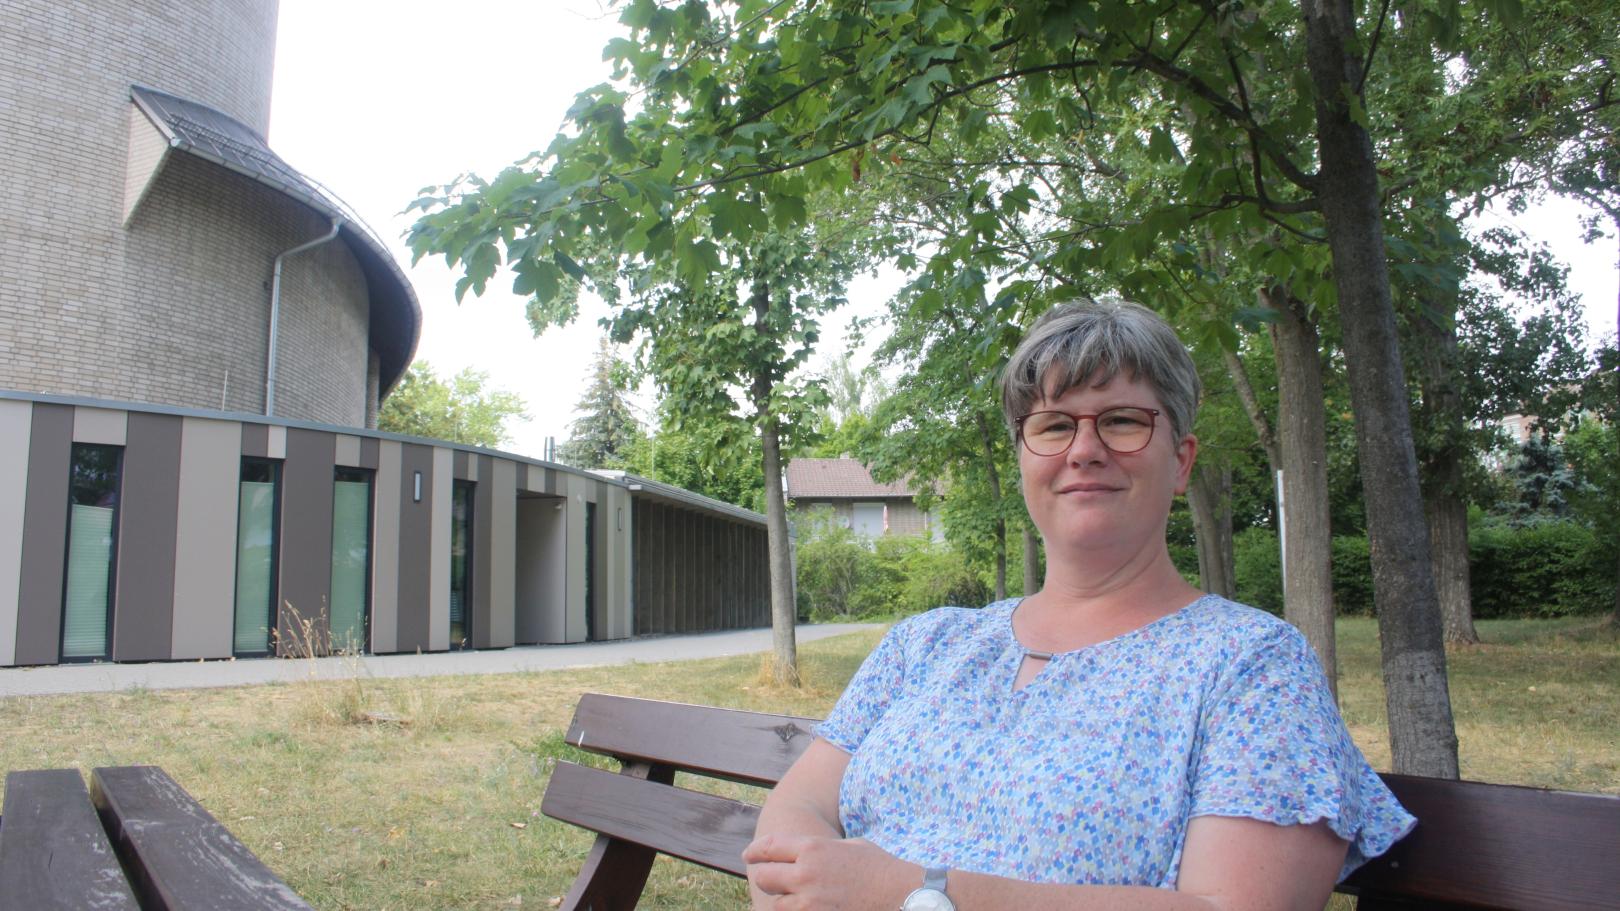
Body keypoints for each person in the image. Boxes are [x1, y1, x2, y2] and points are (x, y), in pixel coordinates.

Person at [743, 300, 1415, 911]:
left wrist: (923, 894)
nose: (1084, 449)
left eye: (1122, 420)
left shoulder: (1251, 668)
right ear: (1024, 458)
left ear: (1181, 462)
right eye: (1054, 424)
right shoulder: (926, 642)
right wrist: (798, 881)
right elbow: (798, 804)